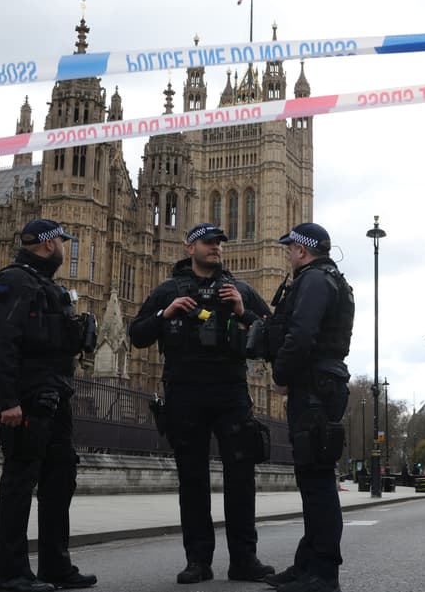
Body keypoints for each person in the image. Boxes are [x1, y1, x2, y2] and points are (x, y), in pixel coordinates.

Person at [128, 222, 275, 585]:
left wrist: (244, 312)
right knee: (192, 482)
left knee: (240, 480)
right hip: (184, 394)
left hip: (231, 393)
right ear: (189, 247)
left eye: (219, 243)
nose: (217, 248)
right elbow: (136, 335)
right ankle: (198, 561)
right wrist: (166, 314)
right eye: (209, 243)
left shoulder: (239, 289)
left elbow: (272, 337)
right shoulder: (168, 291)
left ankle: (244, 559)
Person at [0, 219, 97, 592]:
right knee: (19, 482)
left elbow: (51, 342)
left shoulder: (47, 287)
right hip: (28, 400)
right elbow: (0, 346)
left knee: (60, 480)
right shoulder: (12, 282)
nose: (66, 248)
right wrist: (8, 402)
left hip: (55, 398)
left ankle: (54, 565)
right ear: (49, 245)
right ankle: (12, 573)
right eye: (63, 242)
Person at [263, 222, 354, 592]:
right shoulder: (333, 279)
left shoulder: (314, 280)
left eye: (290, 249)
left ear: (301, 250)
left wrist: (281, 374)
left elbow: (301, 334)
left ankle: (323, 573)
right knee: (312, 480)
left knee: (317, 484)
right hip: (323, 383)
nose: (288, 255)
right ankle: (307, 563)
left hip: (314, 387)